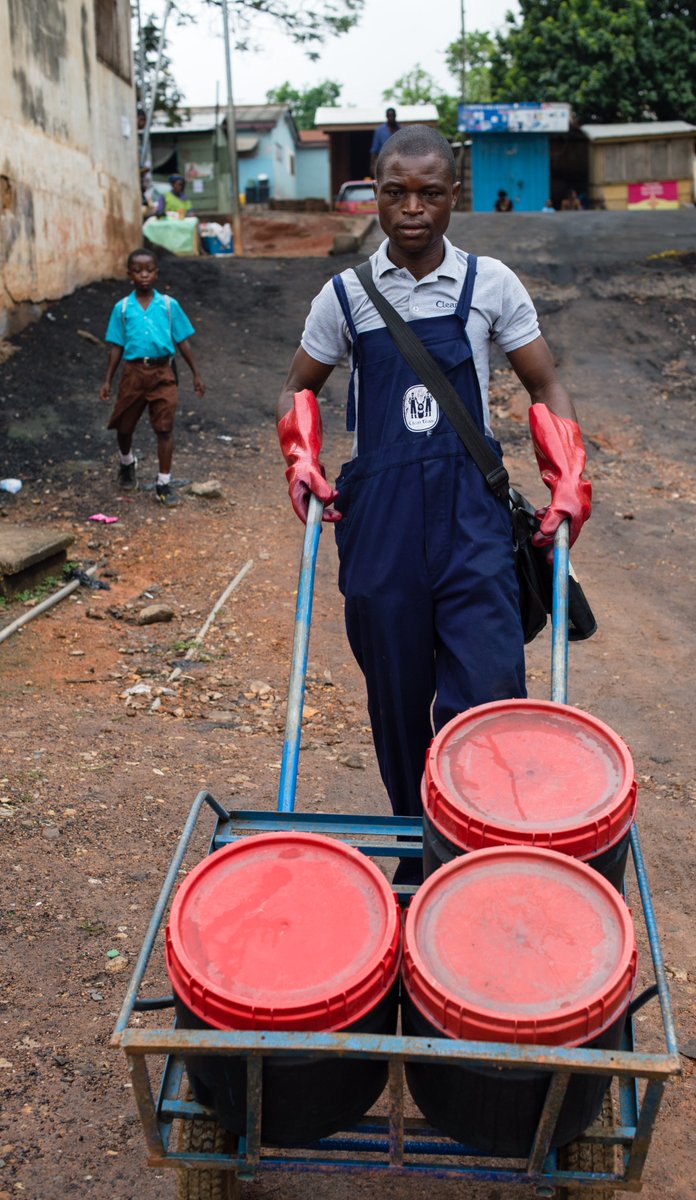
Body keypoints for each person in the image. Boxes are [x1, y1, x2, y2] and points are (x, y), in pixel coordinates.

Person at [275, 126, 591, 878]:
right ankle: (417, 850)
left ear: (453, 196)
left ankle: (478, 845)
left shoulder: (491, 285)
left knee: (487, 688)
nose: (411, 208)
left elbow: (543, 382)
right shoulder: (345, 295)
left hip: (469, 518)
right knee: (396, 699)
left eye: (429, 193)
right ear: (374, 194)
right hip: (379, 527)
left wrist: (567, 475)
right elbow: (297, 387)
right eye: (395, 192)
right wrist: (301, 459)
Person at [100, 248, 205, 505]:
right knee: (124, 427)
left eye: (149, 270)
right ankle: (127, 462)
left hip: (163, 373)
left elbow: (183, 341)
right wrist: (108, 380)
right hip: (133, 374)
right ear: (129, 274)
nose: (144, 275)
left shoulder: (169, 305)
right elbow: (116, 346)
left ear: (156, 273)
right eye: (138, 271)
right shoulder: (122, 308)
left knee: (164, 428)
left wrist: (196, 374)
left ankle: (163, 483)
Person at [370, 107, 400, 176]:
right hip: (384, 162)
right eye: (389, 116)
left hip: (398, 162)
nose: (391, 117)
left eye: (393, 115)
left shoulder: (401, 130)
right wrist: (372, 165)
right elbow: (374, 150)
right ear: (386, 116)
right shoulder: (380, 131)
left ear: (395, 116)